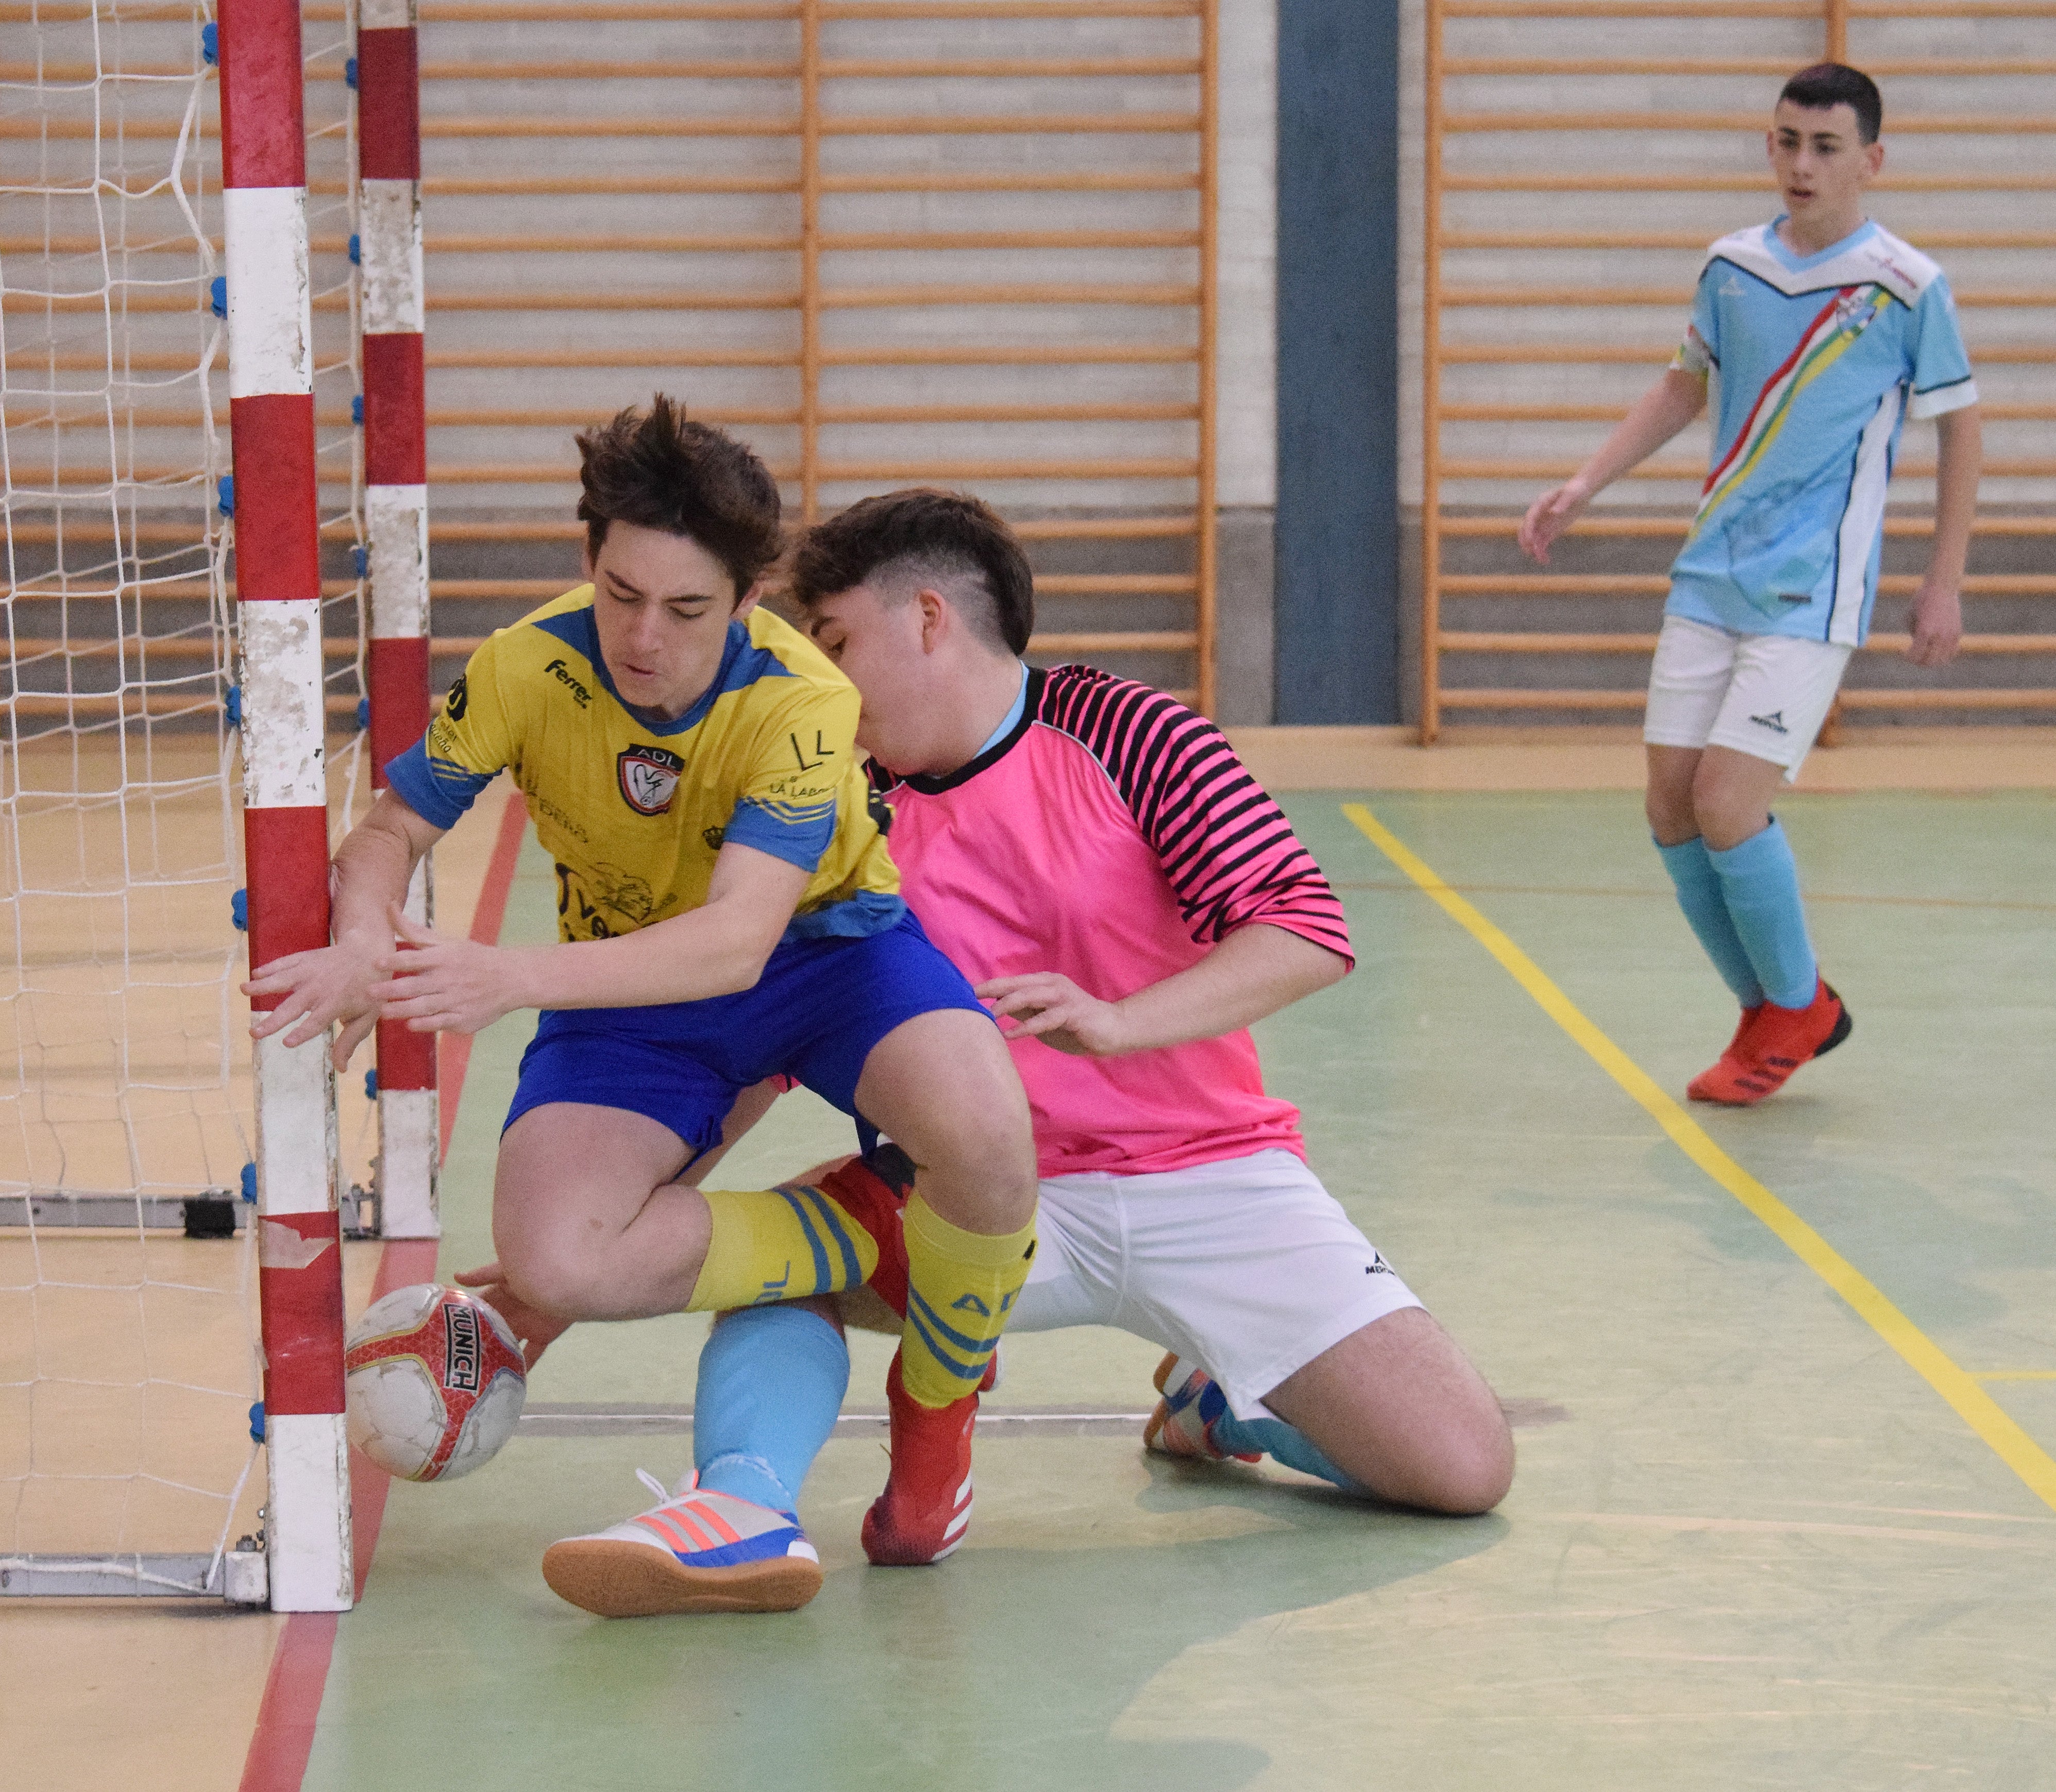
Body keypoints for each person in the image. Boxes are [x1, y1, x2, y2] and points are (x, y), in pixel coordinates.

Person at [535, 488, 1515, 1617]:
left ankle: (1226, 1402)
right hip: (970, 1197)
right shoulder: (832, 804)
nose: (820, 688)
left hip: (1213, 1174)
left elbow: (1304, 924)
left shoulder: (1133, 733)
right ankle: (743, 1508)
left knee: (1463, 1468)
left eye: (838, 643)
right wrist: (568, 1274)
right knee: (780, 1265)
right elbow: (757, 1055)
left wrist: (1119, 1019)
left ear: (930, 620)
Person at [242, 400, 1040, 1616]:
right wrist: (362, 941)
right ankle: (858, 1231)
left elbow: (736, 939)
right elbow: (391, 829)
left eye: (685, 610)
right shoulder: (528, 665)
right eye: (621, 594)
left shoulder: (800, 698)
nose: (644, 637)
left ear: (747, 600)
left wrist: (505, 977)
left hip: (825, 952)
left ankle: (934, 1434)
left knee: (988, 1138)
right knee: (557, 1261)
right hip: (631, 983)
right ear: (587, 562)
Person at [1518, 62, 1980, 1104]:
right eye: (1786, 142)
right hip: (1708, 573)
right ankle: (1775, 1009)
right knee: (1671, 809)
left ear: (1872, 158)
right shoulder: (1731, 266)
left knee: (1730, 803)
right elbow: (1686, 382)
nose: (1801, 164)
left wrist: (1942, 580)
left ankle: (1794, 1007)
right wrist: (1585, 481)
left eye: (1824, 147)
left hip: (1810, 593)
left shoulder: (1906, 285)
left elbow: (1963, 432)